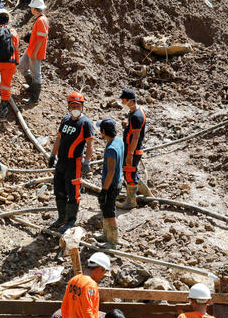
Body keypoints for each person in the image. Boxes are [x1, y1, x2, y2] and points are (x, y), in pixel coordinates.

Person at [48, 91, 95, 230]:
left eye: (78, 105)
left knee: (73, 193)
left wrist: (87, 161)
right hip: (61, 162)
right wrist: (52, 154)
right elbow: (59, 138)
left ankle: (70, 220)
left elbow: (90, 144)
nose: (75, 107)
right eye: (72, 105)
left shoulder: (85, 123)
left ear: (82, 106)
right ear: (68, 106)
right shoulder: (65, 120)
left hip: (74, 163)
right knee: (59, 190)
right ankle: (61, 218)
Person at [118, 88, 152, 209]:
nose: (122, 102)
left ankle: (130, 202)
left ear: (130, 101)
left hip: (133, 149)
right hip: (130, 147)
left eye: (123, 100)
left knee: (129, 172)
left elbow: (136, 136)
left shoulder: (136, 116)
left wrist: (130, 154)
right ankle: (148, 195)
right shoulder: (136, 111)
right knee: (133, 172)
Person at [97, 119, 124, 248]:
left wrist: (104, 190)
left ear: (103, 131)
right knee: (105, 209)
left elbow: (111, 171)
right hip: (118, 180)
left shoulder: (111, 149)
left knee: (109, 211)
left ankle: (113, 241)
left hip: (112, 184)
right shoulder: (118, 140)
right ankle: (106, 234)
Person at [19, 0, 48, 103]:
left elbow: (41, 38)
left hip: (36, 51)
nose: (31, 9)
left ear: (35, 9)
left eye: (32, 8)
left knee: (36, 74)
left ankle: (34, 98)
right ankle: (31, 87)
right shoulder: (41, 19)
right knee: (21, 66)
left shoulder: (41, 20)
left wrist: (35, 53)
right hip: (31, 49)